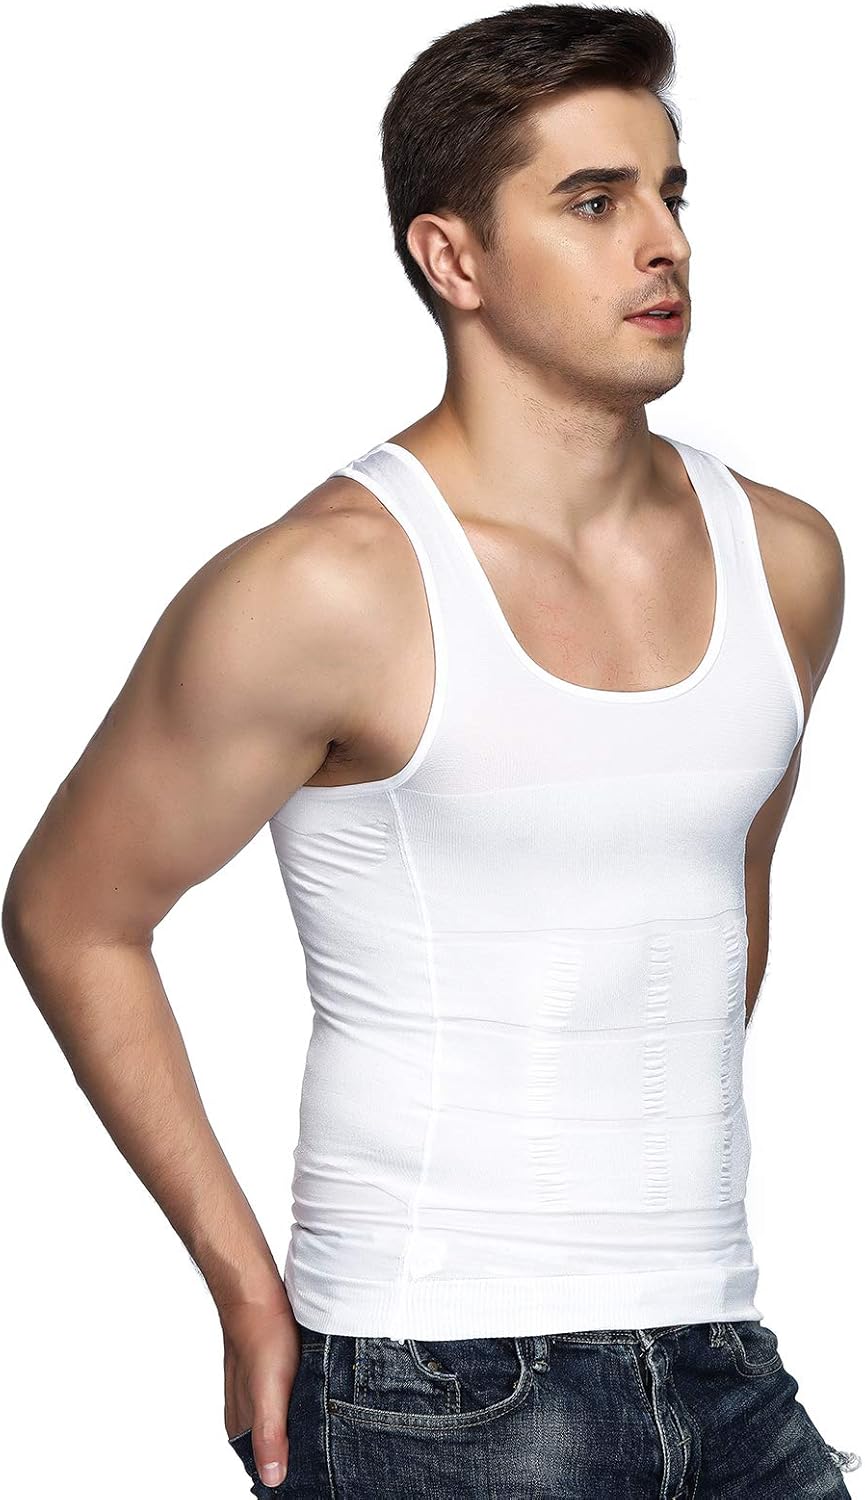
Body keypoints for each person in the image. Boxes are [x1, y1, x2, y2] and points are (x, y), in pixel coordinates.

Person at [3, 4, 859, 1496]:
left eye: (670, 194)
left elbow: (719, 909)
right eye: (592, 202)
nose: (662, 243)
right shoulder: (325, 588)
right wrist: (242, 1288)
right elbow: (71, 913)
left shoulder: (788, 561)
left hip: (722, 1353)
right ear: (451, 258)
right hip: (433, 1383)